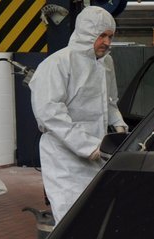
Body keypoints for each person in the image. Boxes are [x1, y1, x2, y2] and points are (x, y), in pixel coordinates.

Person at [29, 6, 127, 223]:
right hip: (64, 157)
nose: (107, 42)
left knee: (96, 214)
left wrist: (119, 127)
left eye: (110, 36)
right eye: (102, 35)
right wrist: (87, 146)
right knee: (71, 216)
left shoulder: (106, 63)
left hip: (98, 152)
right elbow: (50, 113)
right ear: (86, 33)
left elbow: (110, 101)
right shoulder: (58, 63)